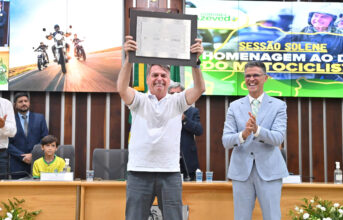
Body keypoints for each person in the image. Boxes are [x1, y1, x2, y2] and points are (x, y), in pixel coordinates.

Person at [118, 35, 205, 220]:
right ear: (148, 79)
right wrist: (128, 59)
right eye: (155, 75)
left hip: (170, 173)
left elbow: (199, 89)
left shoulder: (177, 101)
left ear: (169, 80)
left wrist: (196, 63)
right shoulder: (139, 100)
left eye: (163, 75)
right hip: (138, 172)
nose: (159, 79)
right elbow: (122, 89)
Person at [222, 61, 288, 220]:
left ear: (265, 78)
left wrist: (257, 130)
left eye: (256, 75)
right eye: (248, 76)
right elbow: (226, 141)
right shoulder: (234, 106)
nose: (251, 79)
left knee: (272, 217)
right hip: (241, 171)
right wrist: (244, 134)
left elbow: (278, 137)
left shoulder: (279, 105)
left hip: (270, 172)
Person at [274, 7, 343, 83]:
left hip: (332, 75)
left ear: (332, 20)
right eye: (316, 16)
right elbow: (273, 49)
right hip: (302, 77)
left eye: (324, 17)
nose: (318, 19)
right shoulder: (298, 32)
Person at [8, 92, 48, 179]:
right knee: (18, 190)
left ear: (29, 103)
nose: (23, 103)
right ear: (15, 105)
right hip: (17, 163)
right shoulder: (10, 120)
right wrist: (22, 156)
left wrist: (33, 154)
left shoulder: (40, 118)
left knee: (37, 191)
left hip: (37, 161)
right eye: (20, 101)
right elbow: (7, 143)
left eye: (26, 101)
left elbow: (45, 139)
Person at [168, 83, 203, 181]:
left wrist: (184, 119)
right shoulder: (163, 110)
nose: (175, 96)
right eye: (172, 94)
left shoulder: (192, 111)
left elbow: (199, 131)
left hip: (187, 160)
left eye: (178, 93)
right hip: (168, 161)